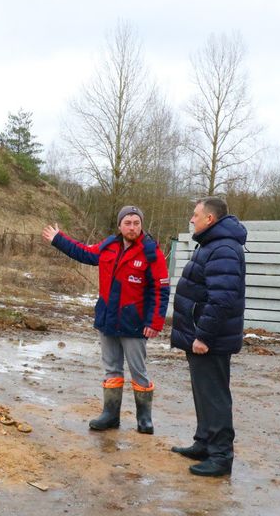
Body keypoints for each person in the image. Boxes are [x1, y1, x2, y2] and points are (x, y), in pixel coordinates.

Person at [42, 206, 170, 434]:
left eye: (136, 223)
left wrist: (155, 322)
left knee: (138, 370)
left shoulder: (151, 252)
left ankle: (144, 418)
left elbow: (160, 290)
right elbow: (83, 252)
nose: (132, 227)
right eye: (128, 223)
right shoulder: (108, 246)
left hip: (135, 323)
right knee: (111, 369)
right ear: (120, 226)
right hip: (108, 318)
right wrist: (58, 239)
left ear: (141, 225)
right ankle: (110, 415)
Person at [170, 197, 246, 477]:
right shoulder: (213, 245)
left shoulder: (224, 248)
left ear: (209, 219)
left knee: (214, 396)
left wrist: (203, 336)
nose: (192, 219)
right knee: (204, 392)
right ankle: (204, 442)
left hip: (210, 339)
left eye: (195, 215)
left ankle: (221, 456)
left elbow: (221, 300)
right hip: (201, 336)